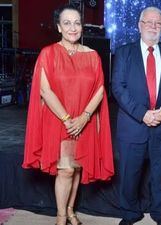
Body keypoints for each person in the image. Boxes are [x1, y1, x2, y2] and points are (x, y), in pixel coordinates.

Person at [22, 4, 114, 225]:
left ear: (82, 26)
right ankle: (61, 216)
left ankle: (71, 210)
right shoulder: (48, 53)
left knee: (76, 168)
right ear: (59, 27)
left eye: (77, 23)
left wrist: (84, 117)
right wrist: (68, 120)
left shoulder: (93, 56)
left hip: (85, 121)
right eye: (67, 23)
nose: (73, 27)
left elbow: (100, 89)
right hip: (60, 121)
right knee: (65, 171)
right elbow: (45, 91)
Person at [112, 6, 161, 225]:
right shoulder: (124, 52)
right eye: (149, 22)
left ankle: (160, 214)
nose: (153, 27)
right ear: (139, 25)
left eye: (158, 23)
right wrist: (142, 114)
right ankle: (129, 212)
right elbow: (118, 87)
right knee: (129, 174)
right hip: (133, 125)